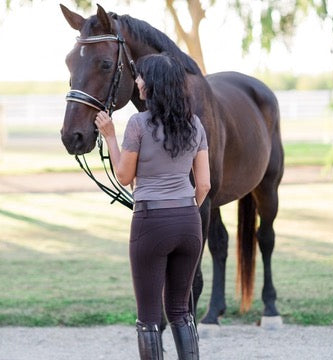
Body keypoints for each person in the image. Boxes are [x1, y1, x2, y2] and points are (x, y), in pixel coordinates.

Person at [95, 52, 210, 360]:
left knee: (148, 318)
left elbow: (123, 176)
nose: (137, 81)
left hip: (150, 224)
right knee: (180, 311)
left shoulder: (138, 124)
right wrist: (185, 211)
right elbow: (204, 185)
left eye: (141, 76)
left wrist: (109, 136)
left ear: (153, 85)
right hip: (189, 223)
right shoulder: (195, 125)